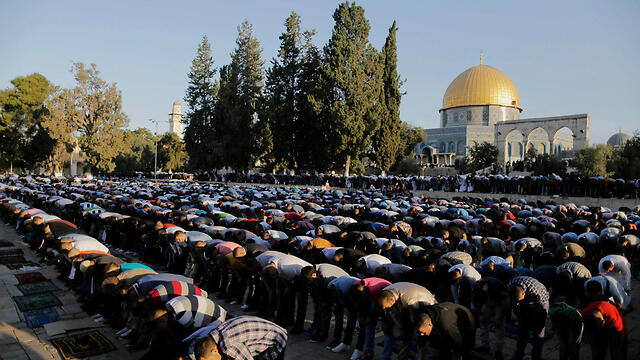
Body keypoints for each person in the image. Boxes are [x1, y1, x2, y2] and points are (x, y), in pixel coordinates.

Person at [377, 282, 437, 360]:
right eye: (382, 306)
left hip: (425, 307)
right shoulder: (385, 293)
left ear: (392, 300)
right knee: (404, 337)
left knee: (421, 340)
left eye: (384, 306)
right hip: (408, 307)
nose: (383, 308)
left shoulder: (409, 301)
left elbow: (415, 322)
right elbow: (394, 314)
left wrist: (412, 332)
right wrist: (402, 328)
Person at [194, 316, 287, 360]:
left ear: (214, 350)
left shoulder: (228, 346)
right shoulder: (216, 335)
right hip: (269, 333)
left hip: (277, 341)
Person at [508, 276, 549, 360]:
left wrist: (534, 322)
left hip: (541, 302)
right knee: (523, 329)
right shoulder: (510, 287)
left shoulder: (537, 293)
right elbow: (513, 304)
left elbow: (540, 312)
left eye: (519, 300)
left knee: (538, 331)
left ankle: (536, 356)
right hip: (526, 298)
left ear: (524, 293)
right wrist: (519, 318)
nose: (518, 302)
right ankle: (519, 353)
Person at [472, 277, 508, 360]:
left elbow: (506, 301)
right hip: (487, 301)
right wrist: (479, 312)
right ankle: (485, 346)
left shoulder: (499, 288)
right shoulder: (478, 288)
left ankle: (498, 350)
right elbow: (474, 299)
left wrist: (500, 316)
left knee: (499, 324)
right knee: (483, 322)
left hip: (500, 301)